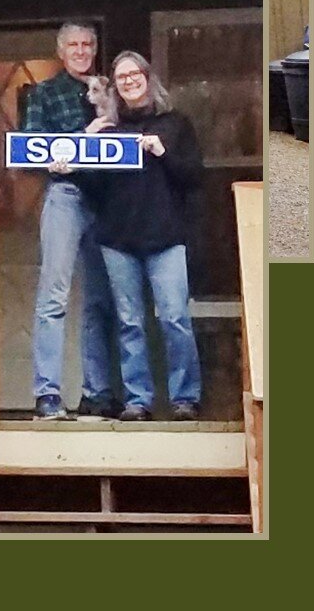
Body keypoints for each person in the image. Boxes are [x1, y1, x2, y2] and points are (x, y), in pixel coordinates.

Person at [84, 50, 204, 422]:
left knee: (174, 318)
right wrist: (81, 151)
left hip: (166, 236)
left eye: (135, 74)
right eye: (121, 78)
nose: (130, 81)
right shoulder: (107, 129)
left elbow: (193, 176)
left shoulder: (174, 123)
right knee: (130, 322)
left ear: (148, 78)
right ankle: (138, 399)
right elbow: (93, 188)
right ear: (115, 88)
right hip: (117, 239)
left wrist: (162, 151)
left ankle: (185, 398)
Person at [22, 22, 118, 421]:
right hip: (66, 195)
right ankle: (47, 395)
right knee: (54, 295)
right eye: (73, 45)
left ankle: (97, 394)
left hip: (108, 199)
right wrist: (63, 151)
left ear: (95, 49)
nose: (81, 51)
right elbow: (29, 148)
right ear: (61, 52)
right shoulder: (45, 93)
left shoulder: (111, 92)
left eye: (87, 45)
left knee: (100, 299)